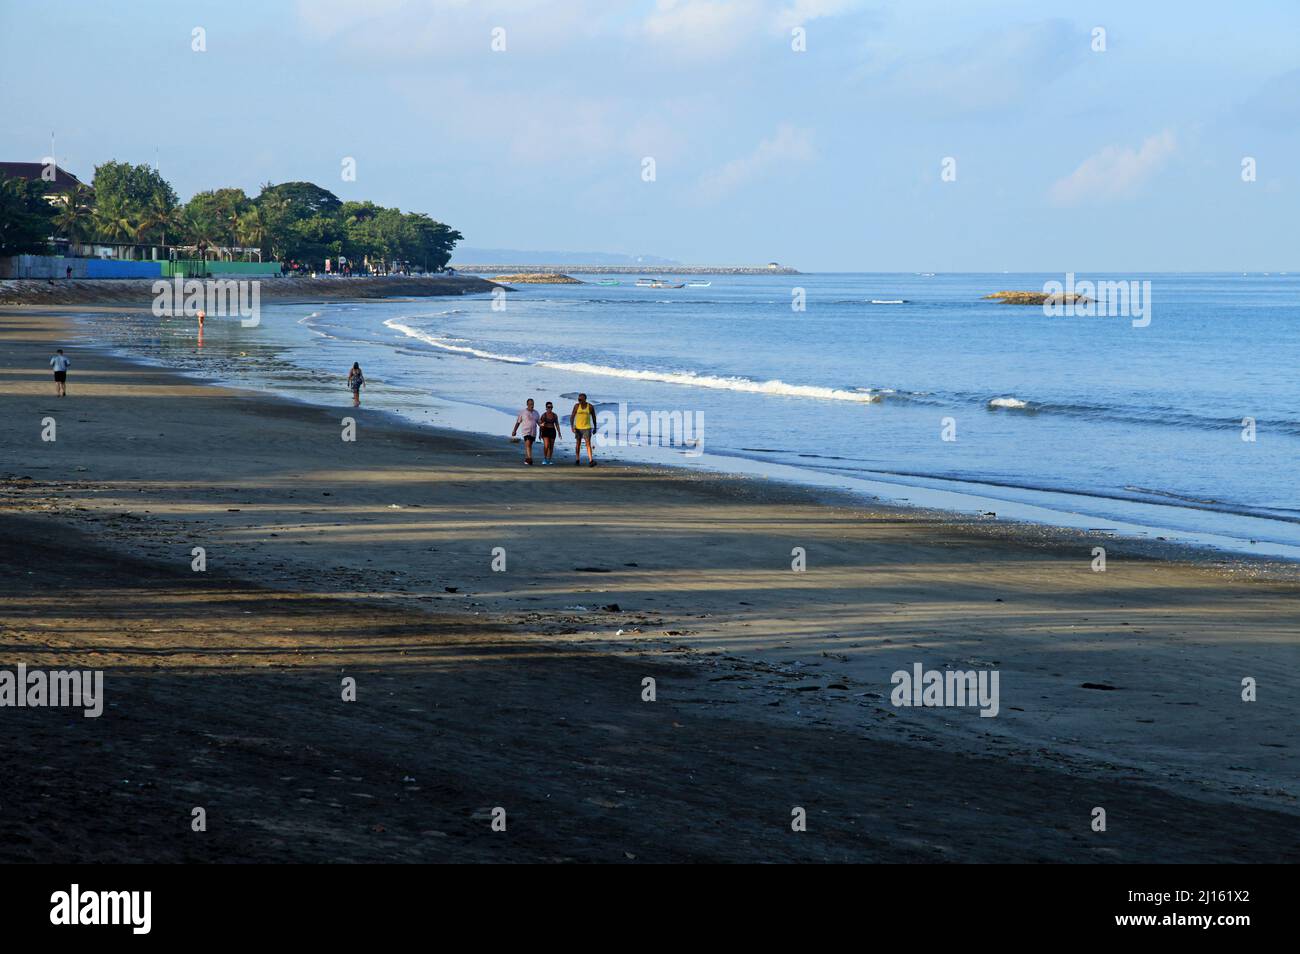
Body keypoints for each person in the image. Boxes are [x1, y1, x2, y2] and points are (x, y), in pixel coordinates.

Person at [511, 398, 541, 465]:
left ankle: (527, 459)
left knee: (530, 445)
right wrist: (514, 430)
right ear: (527, 404)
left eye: (532, 404)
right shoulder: (523, 412)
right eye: (530, 404)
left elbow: (539, 423)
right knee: (527, 443)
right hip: (526, 431)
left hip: (533, 432)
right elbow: (518, 422)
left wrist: (541, 432)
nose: (532, 405)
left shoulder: (536, 413)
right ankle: (530, 459)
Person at [570, 393, 597, 466]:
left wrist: (595, 427)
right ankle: (577, 459)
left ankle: (591, 460)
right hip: (578, 428)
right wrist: (572, 426)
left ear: (585, 399)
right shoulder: (576, 406)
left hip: (587, 428)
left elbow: (594, 417)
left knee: (588, 444)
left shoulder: (590, 406)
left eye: (581, 399)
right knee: (578, 443)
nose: (579, 401)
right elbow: (572, 417)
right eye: (578, 399)